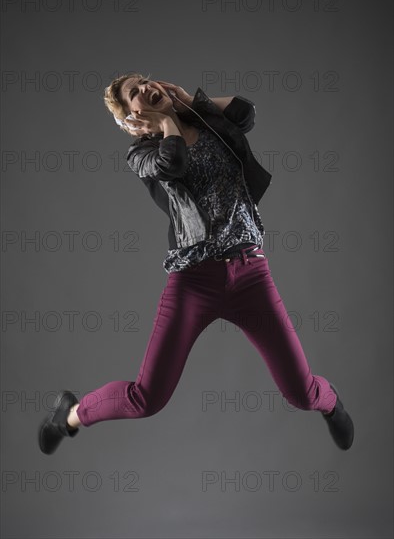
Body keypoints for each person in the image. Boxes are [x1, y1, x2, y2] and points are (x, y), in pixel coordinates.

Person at [38, 72, 354, 455]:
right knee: (146, 398)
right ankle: (69, 414)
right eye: (134, 92)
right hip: (194, 283)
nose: (145, 88)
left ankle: (331, 402)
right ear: (130, 118)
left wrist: (189, 101)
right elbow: (172, 162)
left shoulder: (204, 120)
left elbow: (245, 112)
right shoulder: (140, 154)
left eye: (144, 80)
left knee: (302, 392)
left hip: (250, 274)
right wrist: (166, 121)